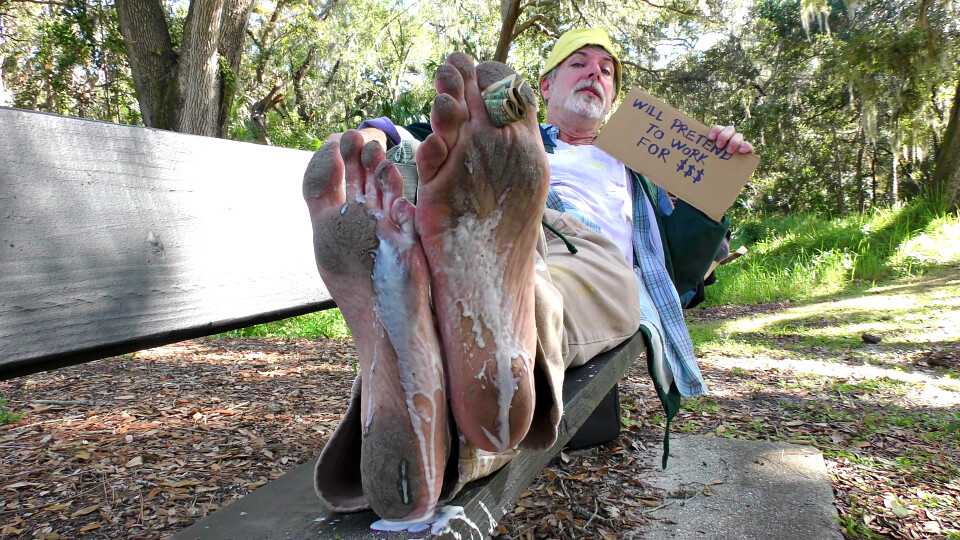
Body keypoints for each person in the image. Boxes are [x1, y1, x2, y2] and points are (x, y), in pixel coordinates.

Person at [302, 28, 753, 524]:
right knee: (492, 279)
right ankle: (460, 337)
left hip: (583, 255)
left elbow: (682, 267)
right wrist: (377, 133)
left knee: (537, 287)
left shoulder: (640, 164)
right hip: (491, 235)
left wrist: (715, 183)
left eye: (606, 70)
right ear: (545, 86)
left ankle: (415, 377)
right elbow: (423, 129)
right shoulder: (502, 139)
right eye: (579, 63)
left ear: (614, 98)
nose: (595, 75)